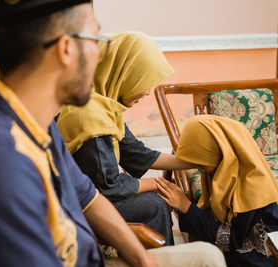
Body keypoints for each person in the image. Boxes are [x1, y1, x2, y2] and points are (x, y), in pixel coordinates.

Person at [0, 1, 227, 266]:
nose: (101, 55)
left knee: (207, 256)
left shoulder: (36, 123)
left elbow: (89, 198)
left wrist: (143, 260)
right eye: (95, 39)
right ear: (66, 49)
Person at [57, 31, 194, 245]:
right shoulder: (90, 115)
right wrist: (158, 185)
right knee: (153, 205)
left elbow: (137, 154)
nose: (148, 92)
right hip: (76, 206)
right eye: (144, 80)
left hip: (91, 195)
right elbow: (109, 187)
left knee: (153, 199)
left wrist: (192, 162)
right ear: (125, 72)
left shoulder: (104, 104)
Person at [156, 115, 278, 267]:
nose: (196, 168)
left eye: (200, 163)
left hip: (256, 261)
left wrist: (186, 207)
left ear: (219, 152)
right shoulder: (224, 174)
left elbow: (231, 240)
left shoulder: (250, 188)